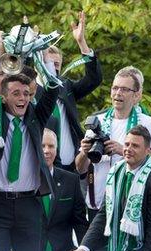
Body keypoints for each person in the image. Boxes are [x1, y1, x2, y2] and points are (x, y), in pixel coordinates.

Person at [0, 34, 59, 251]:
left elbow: (52, 91)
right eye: (16, 93)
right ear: (4, 96)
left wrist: (44, 58)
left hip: (29, 205)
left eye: (26, 94)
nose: (22, 98)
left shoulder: (35, 119)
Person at [65, 125, 151, 251]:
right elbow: (103, 214)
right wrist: (82, 248)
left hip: (145, 248)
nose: (129, 149)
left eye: (135, 146)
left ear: (147, 151)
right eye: (127, 144)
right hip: (119, 241)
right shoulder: (116, 171)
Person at [75, 66, 151, 220]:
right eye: (115, 88)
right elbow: (80, 169)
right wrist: (84, 152)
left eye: (124, 89)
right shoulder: (97, 121)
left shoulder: (147, 123)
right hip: (99, 204)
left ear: (136, 96)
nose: (118, 93)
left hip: (130, 205)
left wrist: (123, 150)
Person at [38, 11, 102, 172]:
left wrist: (82, 43)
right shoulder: (28, 91)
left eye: (58, 64)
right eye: (50, 64)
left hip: (70, 166)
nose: (54, 68)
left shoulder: (66, 86)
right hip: (40, 167)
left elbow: (93, 79)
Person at [40, 129, 88, 251]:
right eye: (42, 146)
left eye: (51, 146)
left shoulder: (71, 180)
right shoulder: (22, 181)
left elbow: (80, 223)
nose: (47, 150)